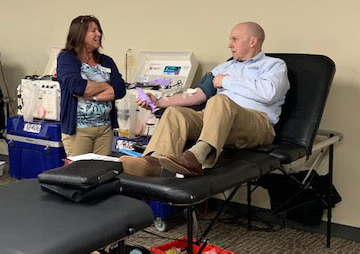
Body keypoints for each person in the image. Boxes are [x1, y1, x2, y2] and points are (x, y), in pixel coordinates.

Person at [120, 22, 290, 176]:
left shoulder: (274, 65)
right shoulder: (224, 67)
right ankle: (153, 162)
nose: (229, 45)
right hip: (220, 122)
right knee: (175, 113)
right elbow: (197, 95)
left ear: (253, 41)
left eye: (235, 39)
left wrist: (226, 81)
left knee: (219, 101)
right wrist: (157, 102)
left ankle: (196, 157)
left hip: (257, 125)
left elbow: (269, 93)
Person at [57, 15, 126, 157]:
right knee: (79, 174)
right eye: (93, 31)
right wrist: (107, 86)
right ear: (80, 34)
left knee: (100, 172)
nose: (99, 34)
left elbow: (120, 89)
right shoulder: (66, 58)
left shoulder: (106, 61)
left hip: (105, 129)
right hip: (78, 130)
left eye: (99, 30)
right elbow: (78, 87)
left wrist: (91, 94)